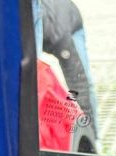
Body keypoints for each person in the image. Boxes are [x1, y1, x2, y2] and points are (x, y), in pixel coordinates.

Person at [41, 0, 99, 139]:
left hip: (69, 23)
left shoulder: (58, 33)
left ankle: (94, 139)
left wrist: (87, 135)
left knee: (82, 82)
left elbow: (79, 85)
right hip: (44, 23)